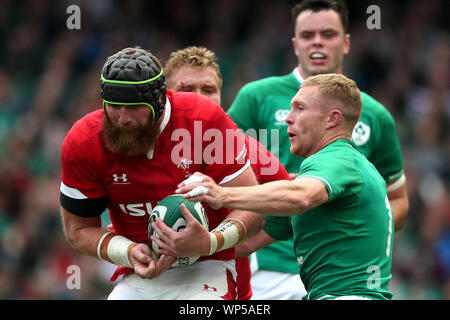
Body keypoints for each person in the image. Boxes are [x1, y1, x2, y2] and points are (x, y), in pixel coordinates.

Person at [227, 0, 408, 300]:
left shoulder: (374, 115)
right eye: (308, 35)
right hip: (269, 264)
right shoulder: (256, 97)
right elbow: (218, 166)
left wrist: (347, 206)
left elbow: (397, 198)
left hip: (340, 269)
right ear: (295, 44)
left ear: (346, 42)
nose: (318, 42)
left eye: (328, 34)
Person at [59, 46, 263, 300]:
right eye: (114, 106)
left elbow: (253, 206)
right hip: (141, 274)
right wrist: (128, 250)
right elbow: (77, 230)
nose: (123, 119)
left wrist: (210, 241)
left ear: (160, 101)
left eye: (134, 107)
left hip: (208, 266)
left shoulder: (204, 119)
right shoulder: (83, 141)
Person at [173, 73, 394, 300]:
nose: (288, 118)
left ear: (332, 119)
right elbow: (245, 244)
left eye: (299, 108)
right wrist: (201, 244)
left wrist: (221, 193)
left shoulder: (337, 158)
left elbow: (301, 197)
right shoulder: (348, 168)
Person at [163, 46, 293, 300]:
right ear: (165, 95)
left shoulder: (248, 151)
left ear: (222, 96)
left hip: (225, 291)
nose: (199, 98)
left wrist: (245, 244)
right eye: (187, 89)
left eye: (209, 90)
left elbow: (289, 208)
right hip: (152, 282)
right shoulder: (143, 146)